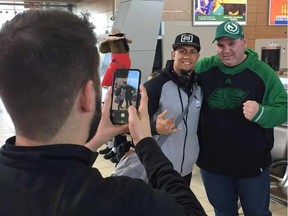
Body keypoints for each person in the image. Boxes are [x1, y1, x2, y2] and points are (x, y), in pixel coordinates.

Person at [0, 9, 208, 216]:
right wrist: (145, 139)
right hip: (165, 171)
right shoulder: (123, 198)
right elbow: (192, 211)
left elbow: (58, 170)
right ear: (88, 96)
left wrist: (98, 139)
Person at [195, 20, 287, 216]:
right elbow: (180, 80)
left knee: (257, 213)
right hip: (213, 165)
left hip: (251, 166)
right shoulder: (205, 68)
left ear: (244, 41)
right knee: (223, 212)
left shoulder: (263, 73)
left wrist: (262, 112)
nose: (226, 50)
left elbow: (284, 108)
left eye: (232, 43)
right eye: (221, 45)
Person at [144, 33, 203, 185]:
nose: (187, 56)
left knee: (179, 209)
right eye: (182, 51)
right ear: (173, 54)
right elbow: (131, 125)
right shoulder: (155, 86)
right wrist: (154, 127)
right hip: (159, 169)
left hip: (187, 169)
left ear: (197, 56)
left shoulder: (200, 87)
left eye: (192, 52)